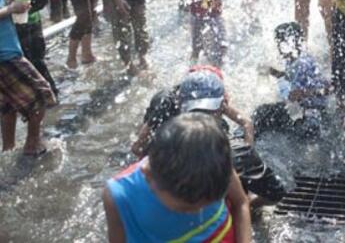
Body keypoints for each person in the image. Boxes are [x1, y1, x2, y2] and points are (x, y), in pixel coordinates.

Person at [130, 67, 286, 206]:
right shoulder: (235, 151)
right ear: (221, 107)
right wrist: (248, 158)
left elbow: (137, 149)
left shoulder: (162, 148)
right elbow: (276, 193)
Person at [103, 113, 252, 242]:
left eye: (208, 204)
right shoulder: (120, 196)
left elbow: (240, 203)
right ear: (149, 176)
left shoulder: (210, 157)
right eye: (185, 208)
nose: (198, 214)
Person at [0, 0, 56, 156]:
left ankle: (8, 149)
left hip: (10, 43)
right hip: (6, 51)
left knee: (8, 104)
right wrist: (11, 8)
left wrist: (9, 3)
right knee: (41, 94)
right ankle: (32, 145)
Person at [253, 22, 331, 138]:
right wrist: (274, 72)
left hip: (309, 117)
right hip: (307, 111)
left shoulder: (301, 64)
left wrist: (302, 93)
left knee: (261, 113)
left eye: (280, 43)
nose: (278, 47)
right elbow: (292, 79)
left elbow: (292, 95)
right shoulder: (298, 58)